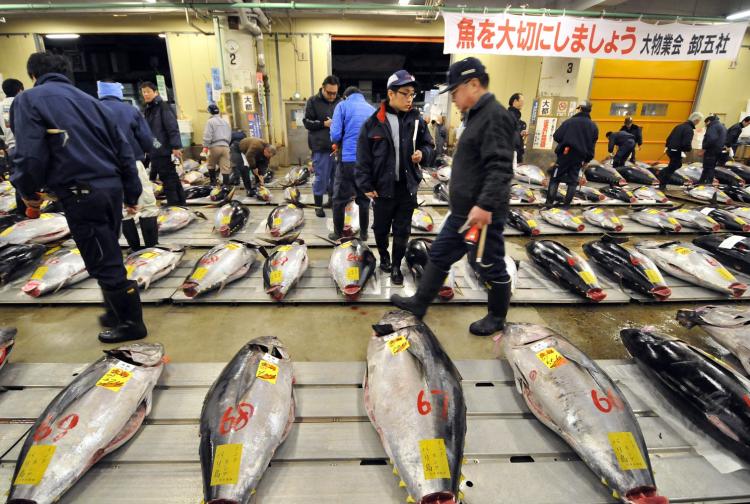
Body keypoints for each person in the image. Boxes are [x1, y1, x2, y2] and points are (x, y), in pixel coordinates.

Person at [10, 52, 146, 343]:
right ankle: (114, 312)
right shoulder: (92, 103)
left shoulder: (30, 100)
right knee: (106, 250)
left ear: (33, 75)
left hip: (80, 191)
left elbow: (29, 153)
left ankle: (131, 324)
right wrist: (131, 191)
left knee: (102, 257)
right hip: (110, 189)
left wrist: (27, 189)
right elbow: (124, 150)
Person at [391, 57, 515, 336]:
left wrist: (484, 205)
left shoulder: (494, 116)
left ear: (473, 84)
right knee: (440, 254)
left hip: (481, 214)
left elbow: (501, 166)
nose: (454, 99)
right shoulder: (476, 116)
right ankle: (419, 303)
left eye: (456, 91)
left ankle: (497, 316)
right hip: (463, 212)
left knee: (489, 263)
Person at [356, 70, 434, 286]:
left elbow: (429, 146)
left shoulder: (417, 121)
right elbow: (362, 158)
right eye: (405, 93)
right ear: (391, 94)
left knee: (402, 230)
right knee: (380, 229)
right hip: (382, 188)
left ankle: (397, 266)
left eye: (412, 94)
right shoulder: (373, 123)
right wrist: (365, 184)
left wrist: (423, 154)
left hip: (407, 188)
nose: (410, 99)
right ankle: (384, 258)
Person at [98, 80, 158, 252]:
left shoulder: (92, 110)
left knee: (122, 207)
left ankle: (135, 248)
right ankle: (152, 248)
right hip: (132, 163)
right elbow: (147, 140)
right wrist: (148, 152)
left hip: (105, 168)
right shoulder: (130, 110)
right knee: (146, 204)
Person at [329, 85, 375, 241]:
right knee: (364, 200)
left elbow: (335, 135)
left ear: (346, 96)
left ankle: (337, 233)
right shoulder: (371, 109)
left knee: (339, 200)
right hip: (367, 163)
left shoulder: (342, 105)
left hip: (347, 161)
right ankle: (363, 234)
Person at [545, 101, 598, 208]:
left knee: (555, 178)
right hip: (580, 157)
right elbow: (592, 146)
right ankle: (566, 206)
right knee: (573, 181)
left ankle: (549, 204)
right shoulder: (593, 126)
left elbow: (557, 136)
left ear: (580, 109)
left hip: (565, 153)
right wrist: (587, 160)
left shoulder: (570, 122)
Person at [140, 81, 185, 205]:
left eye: (148, 91)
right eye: (144, 92)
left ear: (156, 92)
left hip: (163, 148)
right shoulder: (149, 108)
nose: (146, 94)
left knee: (167, 177)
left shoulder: (162, 107)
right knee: (171, 176)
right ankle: (180, 203)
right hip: (156, 148)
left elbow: (172, 127)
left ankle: (174, 204)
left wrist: (176, 146)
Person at [304, 75, 341, 217]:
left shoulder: (340, 102)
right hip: (320, 148)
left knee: (336, 177)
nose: (332, 96)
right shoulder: (313, 101)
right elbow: (307, 122)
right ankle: (318, 205)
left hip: (336, 148)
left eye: (335, 93)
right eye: (329, 93)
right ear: (323, 89)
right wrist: (323, 124)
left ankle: (331, 201)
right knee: (321, 178)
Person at [657, 112, 703, 190]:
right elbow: (686, 143)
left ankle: (662, 176)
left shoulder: (679, 126)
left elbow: (669, 137)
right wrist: (688, 149)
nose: (698, 123)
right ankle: (662, 183)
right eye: (699, 121)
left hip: (671, 149)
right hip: (677, 150)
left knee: (676, 165)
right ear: (696, 120)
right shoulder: (689, 129)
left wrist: (667, 147)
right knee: (673, 166)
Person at [1, 78, 26, 215]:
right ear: (20, 90)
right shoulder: (23, 102)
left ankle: (22, 212)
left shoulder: (0, 106)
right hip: (26, 147)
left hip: (10, 149)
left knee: (18, 181)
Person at [201, 103, 232, 186]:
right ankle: (226, 185)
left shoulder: (210, 121)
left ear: (210, 112)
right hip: (226, 146)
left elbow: (208, 134)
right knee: (225, 167)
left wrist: (205, 145)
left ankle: (213, 183)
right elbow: (229, 135)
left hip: (214, 146)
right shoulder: (225, 122)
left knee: (211, 165)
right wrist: (227, 144)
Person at [700, 115, 727, 184]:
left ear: (708, 121)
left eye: (705, 123)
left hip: (711, 151)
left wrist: (704, 148)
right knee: (710, 167)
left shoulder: (713, 127)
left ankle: (707, 184)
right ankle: (701, 182)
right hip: (718, 151)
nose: (705, 125)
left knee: (708, 168)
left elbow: (711, 139)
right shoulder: (722, 126)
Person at [508, 92, 527, 163]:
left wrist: (521, 134)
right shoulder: (509, 116)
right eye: (521, 101)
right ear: (515, 101)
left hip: (516, 152)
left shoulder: (517, 118)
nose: (523, 104)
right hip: (512, 152)